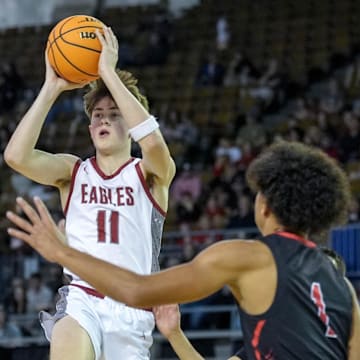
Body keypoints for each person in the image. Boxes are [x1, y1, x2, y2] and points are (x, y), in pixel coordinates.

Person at [7, 141, 360, 359]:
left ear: (264, 206)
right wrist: (174, 334)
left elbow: (136, 290)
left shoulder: (247, 255)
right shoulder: (344, 291)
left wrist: (61, 252)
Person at [4, 26, 175, 360]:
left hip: (131, 305)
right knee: (69, 331)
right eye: (98, 115)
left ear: (131, 126)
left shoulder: (150, 173)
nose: (104, 120)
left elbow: (153, 142)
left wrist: (108, 73)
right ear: (89, 127)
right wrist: (51, 88)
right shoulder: (73, 172)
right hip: (83, 297)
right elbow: (15, 156)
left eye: (115, 115)